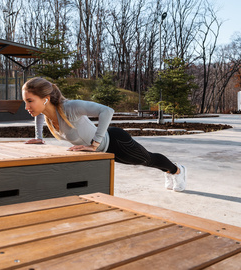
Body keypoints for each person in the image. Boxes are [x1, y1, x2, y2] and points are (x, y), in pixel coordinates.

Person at [22, 77, 187, 192]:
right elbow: (39, 116)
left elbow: (106, 111)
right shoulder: (48, 114)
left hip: (117, 142)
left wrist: (94, 144)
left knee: (147, 160)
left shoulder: (70, 107)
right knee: (146, 161)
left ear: (45, 99)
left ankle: (176, 170)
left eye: (30, 101)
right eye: (25, 102)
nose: (27, 106)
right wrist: (39, 138)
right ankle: (169, 171)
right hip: (104, 151)